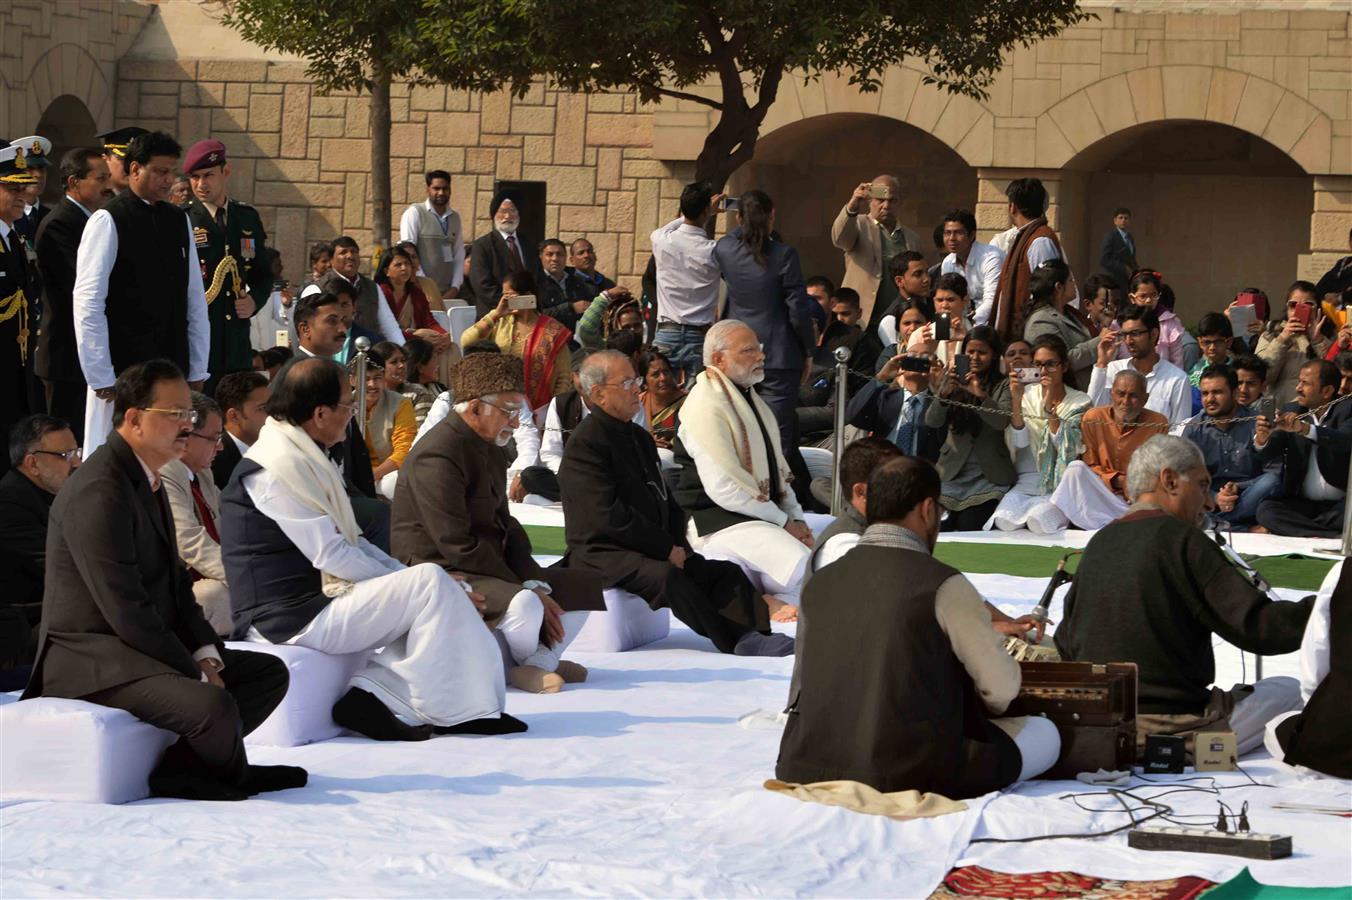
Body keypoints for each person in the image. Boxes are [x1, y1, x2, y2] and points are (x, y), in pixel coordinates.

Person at [24, 359, 304, 801]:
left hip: (132, 646)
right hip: (92, 657)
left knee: (265, 673)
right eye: (174, 415)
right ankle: (221, 772)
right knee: (212, 702)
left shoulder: (147, 476)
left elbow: (175, 583)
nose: (186, 426)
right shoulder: (101, 488)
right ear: (133, 419)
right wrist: (192, 669)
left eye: (188, 416)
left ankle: (190, 768)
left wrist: (206, 653)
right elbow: (125, 607)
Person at [220, 356, 517, 740]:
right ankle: (378, 698)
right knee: (430, 582)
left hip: (316, 601)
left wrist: (412, 580)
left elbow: (352, 542)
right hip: (285, 618)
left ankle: (468, 709)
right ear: (321, 413)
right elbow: (331, 555)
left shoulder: (303, 454)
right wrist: (414, 581)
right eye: (348, 404)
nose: (353, 414)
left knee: (435, 583)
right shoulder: (272, 469)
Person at [777, 455, 1060, 797]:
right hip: (905, 769)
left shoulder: (821, 581)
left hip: (806, 761)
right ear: (927, 509)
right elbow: (1000, 689)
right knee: (1047, 734)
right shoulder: (941, 584)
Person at [1056, 434, 1312, 757]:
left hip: (1102, 728)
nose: (1208, 503)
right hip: (1176, 728)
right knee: (1289, 690)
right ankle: (1190, 747)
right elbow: (1262, 629)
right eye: (1203, 486)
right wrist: (1330, 606)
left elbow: (1066, 643)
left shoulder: (1097, 544)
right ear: (1169, 480)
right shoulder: (1183, 541)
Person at [390, 352, 603, 694]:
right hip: (443, 571)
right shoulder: (438, 455)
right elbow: (457, 545)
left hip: (483, 564)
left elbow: (507, 525)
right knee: (525, 604)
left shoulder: (487, 445)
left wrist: (534, 578)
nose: (516, 424)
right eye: (508, 411)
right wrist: (527, 588)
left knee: (585, 585)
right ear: (475, 408)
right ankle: (531, 663)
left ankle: (536, 664)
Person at [559, 351, 790, 656]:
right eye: (627, 382)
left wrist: (679, 546)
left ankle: (758, 632)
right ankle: (734, 640)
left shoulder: (639, 437)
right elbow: (607, 517)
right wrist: (664, 549)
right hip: (602, 552)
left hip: (646, 546)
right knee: (668, 577)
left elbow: (665, 499)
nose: (636, 389)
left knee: (725, 572)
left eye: (636, 380)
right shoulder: (585, 445)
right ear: (599, 394)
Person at [72, 131, 210, 457]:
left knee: (167, 460)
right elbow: (88, 301)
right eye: (160, 171)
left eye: (172, 172)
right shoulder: (108, 220)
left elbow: (193, 297)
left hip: (170, 362)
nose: (168, 180)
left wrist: (197, 367)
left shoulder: (178, 220)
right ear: (135, 169)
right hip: (122, 369)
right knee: (115, 458)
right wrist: (100, 374)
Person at [672, 321, 814, 622]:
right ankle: (763, 602)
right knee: (806, 567)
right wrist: (784, 521)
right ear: (718, 359)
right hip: (718, 522)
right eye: (749, 350)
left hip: (757, 517)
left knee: (831, 548)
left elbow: (778, 475)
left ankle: (769, 597)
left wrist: (797, 519)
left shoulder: (749, 399)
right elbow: (724, 488)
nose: (760, 357)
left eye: (759, 349)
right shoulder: (704, 405)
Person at [714, 190, 817, 509]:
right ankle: (780, 501)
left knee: (741, 429)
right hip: (778, 353)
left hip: (737, 354)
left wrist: (738, 215)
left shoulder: (726, 249)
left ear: (740, 219)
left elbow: (733, 236)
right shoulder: (785, 255)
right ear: (772, 216)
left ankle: (746, 498)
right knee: (778, 435)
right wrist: (808, 350)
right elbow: (798, 309)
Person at [288, 290, 389, 551]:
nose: (342, 328)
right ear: (305, 329)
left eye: (344, 321)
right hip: (317, 495)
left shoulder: (331, 371)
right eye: (332, 321)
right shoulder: (296, 376)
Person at [182, 140, 272, 393]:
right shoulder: (183, 220)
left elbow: (263, 274)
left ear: (226, 172)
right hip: (199, 346)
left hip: (236, 344)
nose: (201, 184)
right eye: (195, 177)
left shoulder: (246, 217)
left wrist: (254, 301)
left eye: (208, 175)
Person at [34, 147, 110, 440]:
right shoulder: (60, 224)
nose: (107, 185)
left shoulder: (93, 220)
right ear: (74, 183)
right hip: (66, 356)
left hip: (85, 355)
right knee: (65, 441)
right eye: (99, 178)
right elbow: (79, 287)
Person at [990, 334, 1090, 533]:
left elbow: (1066, 450)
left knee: (1040, 522)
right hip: (1026, 479)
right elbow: (1019, 443)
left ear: (1065, 366)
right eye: (1039, 365)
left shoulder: (1081, 401)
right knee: (1004, 522)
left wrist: (1049, 409)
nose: (1044, 371)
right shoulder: (1026, 395)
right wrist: (1016, 400)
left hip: (1059, 484)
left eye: (1051, 364)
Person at [1264, 559, 1350, 779]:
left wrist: (1315, 715)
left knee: (1275, 727)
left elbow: (1316, 657)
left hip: (1340, 741)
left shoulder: (1343, 571)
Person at [1052, 369, 1168, 530]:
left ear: (1145, 399)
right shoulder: (1094, 418)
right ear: (1111, 395)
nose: (1125, 401)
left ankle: (1106, 524)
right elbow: (1090, 464)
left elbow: (1155, 473)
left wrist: (1133, 485)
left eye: (1133, 396)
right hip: (1101, 492)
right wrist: (1119, 480)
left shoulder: (1157, 423)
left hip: (1133, 500)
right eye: (1121, 394)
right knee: (1075, 469)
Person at [0, 414, 80, 645]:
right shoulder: (9, 507)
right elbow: (63, 567)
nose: (77, 463)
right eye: (66, 455)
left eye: (77, 453)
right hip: (26, 630)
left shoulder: (54, 494)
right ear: (32, 463)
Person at [925, 326, 1015, 531]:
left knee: (970, 526)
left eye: (982, 352)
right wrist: (944, 396)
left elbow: (1001, 422)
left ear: (994, 356)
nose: (975, 357)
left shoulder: (1003, 385)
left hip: (988, 477)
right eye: (970, 352)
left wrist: (979, 394)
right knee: (941, 528)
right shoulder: (952, 379)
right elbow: (932, 421)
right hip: (951, 473)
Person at [159, 392, 232, 636]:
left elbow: (230, 519)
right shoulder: (163, 472)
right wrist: (242, 578)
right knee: (216, 596)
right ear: (187, 437)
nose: (220, 447)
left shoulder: (202, 472)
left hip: (213, 576)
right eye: (215, 438)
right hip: (171, 593)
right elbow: (188, 540)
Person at [1253, 359, 1352, 537]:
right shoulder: (1292, 409)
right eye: (1299, 381)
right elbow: (1269, 453)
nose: (1298, 388)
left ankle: (1303, 530)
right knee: (1266, 510)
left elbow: (1345, 441)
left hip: (1342, 504)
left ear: (1327, 391)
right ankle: (1329, 535)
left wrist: (1305, 430)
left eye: (1305, 383)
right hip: (1302, 503)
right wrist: (1262, 438)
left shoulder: (1347, 409)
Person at [1177, 365, 1280, 529]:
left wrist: (1237, 488)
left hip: (1248, 496)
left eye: (1217, 392)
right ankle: (1239, 526)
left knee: (1271, 482)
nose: (1210, 399)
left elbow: (1274, 472)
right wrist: (1216, 497)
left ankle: (1219, 524)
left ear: (1235, 393)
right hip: (1209, 500)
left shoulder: (1257, 423)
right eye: (1205, 393)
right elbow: (1186, 476)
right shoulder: (1194, 428)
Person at [460, 268, 573, 416]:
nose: (505, 301)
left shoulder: (553, 330)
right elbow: (466, 341)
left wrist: (552, 411)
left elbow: (563, 377)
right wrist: (495, 314)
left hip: (540, 410)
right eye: (503, 296)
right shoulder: (499, 322)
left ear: (527, 296)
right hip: (500, 405)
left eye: (510, 296)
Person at [650, 182, 723, 381]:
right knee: (698, 404)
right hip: (699, 336)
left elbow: (669, 227)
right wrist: (706, 212)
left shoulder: (660, 240)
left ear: (682, 209)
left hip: (666, 332)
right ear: (706, 211)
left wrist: (693, 214)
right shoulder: (714, 250)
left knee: (661, 400)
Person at [831, 176, 923, 330]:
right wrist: (853, 204)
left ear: (900, 203)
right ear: (870, 201)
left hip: (897, 320)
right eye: (880, 199)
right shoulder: (858, 225)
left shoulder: (911, 238)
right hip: (862, 318)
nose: (886, 206)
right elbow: (839, 239)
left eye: (892, 200)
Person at [989, 177, 1069, 344]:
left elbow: (1047, 292)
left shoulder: (1039, 241)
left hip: (1034, 334)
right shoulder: (1026, 236)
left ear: (1012, 207)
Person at [0, 142, 39, 473]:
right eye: (10, 188)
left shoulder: (15, 238)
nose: (20, 195)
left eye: (21, 188)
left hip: (17, 364)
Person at [1087, 306, 1190, 424]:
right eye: (1125, 335)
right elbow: (1093, 411)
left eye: (1135, 334)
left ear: (1154, 334)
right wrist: (1101, 364)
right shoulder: (1114, 369)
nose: (1129, 341)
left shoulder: (1177, 379)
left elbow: (1180, 428)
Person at [848, 339, 945, 462]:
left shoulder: (939, 403)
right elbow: (853, 416)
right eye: (912, 356)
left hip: (920, 471)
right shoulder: (886, 397)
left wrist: (939, 391)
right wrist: (881, 377)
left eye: (925, 358)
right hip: (884, 468)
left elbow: (944, 435)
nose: (917, 360)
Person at [1022, 258, 1098, 387]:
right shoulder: (1041, 321)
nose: (1074, 284)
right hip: (1060, 395)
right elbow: (1060, 361)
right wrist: (1101, 342)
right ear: (1059, 287)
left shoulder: (1069, 313)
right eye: (1070, 281)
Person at [1256, 281, 1333, 406]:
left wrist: (1317, 341)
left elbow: (1332, 377)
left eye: (1308, 305)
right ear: (1287, 308)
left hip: (1308, 411)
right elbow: (1263, 376)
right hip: (1274, 408)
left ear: (1318, 309)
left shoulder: (1327, 335)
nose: (1298, 310)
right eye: (1293, 305)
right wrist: (1283, 338)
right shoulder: (1270, 334)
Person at [355, 347, 417, 501]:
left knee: (395, 483)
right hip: (352, 477)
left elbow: (404, 450)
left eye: (377, 378)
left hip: (386, 475)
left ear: (384, 378)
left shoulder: (400, 403)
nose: (371, 384)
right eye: (366, 378)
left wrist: (372, 476)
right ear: (352, 380)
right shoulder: (343, 404)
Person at [398, 169, 463, 299]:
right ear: (428, 189)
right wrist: (425, 287)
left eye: (445, 188)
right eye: (436, 188)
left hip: (448, 293)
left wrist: (455, 287)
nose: (441, 193)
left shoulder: (455, 218)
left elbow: (459, 256)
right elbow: (408, 253)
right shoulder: (415, 213)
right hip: (420, 291)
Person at [373, 245, 450, 352]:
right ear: (386, 271)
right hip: (391, 345)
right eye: (398, 265)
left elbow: (429, 321)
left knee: (450, 348)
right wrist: (415, 336)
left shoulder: (416, 292)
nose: (404, 268)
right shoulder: (381, 293)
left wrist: (442, 335)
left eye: (407, 264)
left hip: (419, 342)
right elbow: (383, 330)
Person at [468, 190, 529, 317]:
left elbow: (538, 279)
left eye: (512, 211)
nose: (507, 216)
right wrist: (513, 305)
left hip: (528, 315)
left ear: (519, 214)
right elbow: (482, 286)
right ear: (494, 214)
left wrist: (530, 305)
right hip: (495, 316)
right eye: (502, 211)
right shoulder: (482, 245)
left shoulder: (528, 244)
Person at [940, 210, 1003, 326]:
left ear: (972, 235)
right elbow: (947, 299)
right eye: (947, 233)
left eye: (958, 233)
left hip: (992, 324)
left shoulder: (991, 258)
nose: (952, 238)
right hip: (962, 325)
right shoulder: (947, 263)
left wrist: (968, 323)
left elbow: (993, 300)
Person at [212, 369, 268, 490]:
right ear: (234, 416)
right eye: (263, 408)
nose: (272, 414)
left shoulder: (273, 450)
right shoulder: (213, 460)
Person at [1120, 271, 1185, 368]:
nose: (1149, 300)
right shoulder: (1121, 323)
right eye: (1143, 296)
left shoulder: (1169, 323)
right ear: (1132, 298)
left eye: (1153, 295)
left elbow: (1177, 361)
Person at [536, 237, 597, 334]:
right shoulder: (535, 283)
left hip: (577, 340)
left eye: (559, 254)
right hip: (549, 340)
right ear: (541, 256)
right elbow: (536, 315)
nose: (555, 258)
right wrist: (570, 307)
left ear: (565, 257)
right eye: (549, 254)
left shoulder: (577, 280)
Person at [374, 339, 438, 427]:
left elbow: (422, 433)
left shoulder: (418, 394)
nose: (401, 365)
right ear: (379, 367)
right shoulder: (369, 395)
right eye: (394, 362)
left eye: (403, 361)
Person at [875, 251, 934, 348]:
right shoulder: (890, 320)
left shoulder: (936, 303)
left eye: (927, 272)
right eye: (918, 274)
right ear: (899, 281)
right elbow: (899, 355)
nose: (926, 279)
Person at [640, 348, 686, 449]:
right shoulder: (638, 404)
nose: (663, 378)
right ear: (645, 382)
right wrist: (646, 443)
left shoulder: (687, 404)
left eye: (666, 372)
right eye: (655, 375)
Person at [1188, 313, 1235, 412]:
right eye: (1207, 342)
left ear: (1229, 342)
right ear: (1200, 342)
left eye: (1218, 342)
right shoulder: (1192, 373)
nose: (1212, 348)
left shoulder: (1237, 371)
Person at [96, 126, 147, 195]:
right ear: (105, 160)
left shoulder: (153, 201)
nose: (131, 166)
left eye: (138, 161)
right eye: (123, 160)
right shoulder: (95, 199)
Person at [1098, 206, 1138, 288]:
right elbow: (1104, 259)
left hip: (1128, 280)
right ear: (1115, 221)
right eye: (1120, 218)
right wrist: (1124, 268)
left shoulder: (1130, 238)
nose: (1123, 220)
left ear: (1129, 221)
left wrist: (1136, 271)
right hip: (1114, 280)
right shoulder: (1110, 236)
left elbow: (1131, 258)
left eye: (1126, 218)